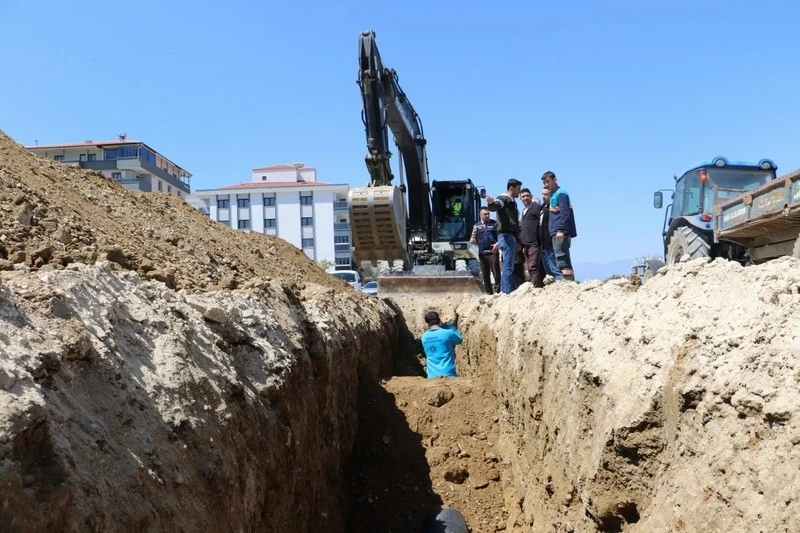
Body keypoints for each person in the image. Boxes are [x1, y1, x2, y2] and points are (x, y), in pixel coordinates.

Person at [485, 178, 522, 294]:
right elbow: (495, 205)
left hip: (510, 236)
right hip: (506, 235)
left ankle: (505, 291)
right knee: (508, 266)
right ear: (511, 188)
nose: (519, 192)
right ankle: (506, 292)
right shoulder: (503, 199)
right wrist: (491, 203)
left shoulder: (512, 202)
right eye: (518, 189)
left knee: (508, 265)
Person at [542, 171, 577, 281]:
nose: (546, 184)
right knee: (559, 258)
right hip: (555, 231)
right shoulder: (553, 195)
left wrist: (561, 229)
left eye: (548, 181)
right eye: (544, 182)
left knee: (562, 259)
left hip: (560, 232)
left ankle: (568, 284)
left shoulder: (561, 193)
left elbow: (565, 213)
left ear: (555, 180)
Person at [420, 311, 463, 378]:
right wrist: (449, 325)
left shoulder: (424, 337)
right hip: (448, 374)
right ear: (439, 320)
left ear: (427, 324)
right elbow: (459, 340)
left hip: (432, 376)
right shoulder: (448, 333)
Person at [470, 206, 501, 294]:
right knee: (485, 274)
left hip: (493, 253)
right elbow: (473, 238)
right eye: (485, 214)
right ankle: (489, 293)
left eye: (488, 214)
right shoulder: (477, 226)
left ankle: (498, 292)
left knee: (496, 273)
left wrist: (497, 244)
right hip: (482, 253)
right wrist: (473, 240)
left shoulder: (494, 224)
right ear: (480, 215)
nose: (487, 216)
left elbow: (500, 236)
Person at [535, 185, 562, 286]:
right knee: (548, 271)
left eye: (546, 194)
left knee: (555, 269)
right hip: (543, 244)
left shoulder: (553, 206)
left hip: (551, 243)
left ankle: (560, 287)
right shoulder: (542, 207)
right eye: (542, 194)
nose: (543, 196)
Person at [518, 187, 542, 284]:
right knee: (529, 267)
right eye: (523, 196)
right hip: (526, 243)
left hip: (534, 242)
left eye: (527, 196)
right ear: (520, 198)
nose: (525, 198)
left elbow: (541, 222)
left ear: (531, 196)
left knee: (533, 267)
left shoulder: (536, 207)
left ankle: (535, 289)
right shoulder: (524, 210)